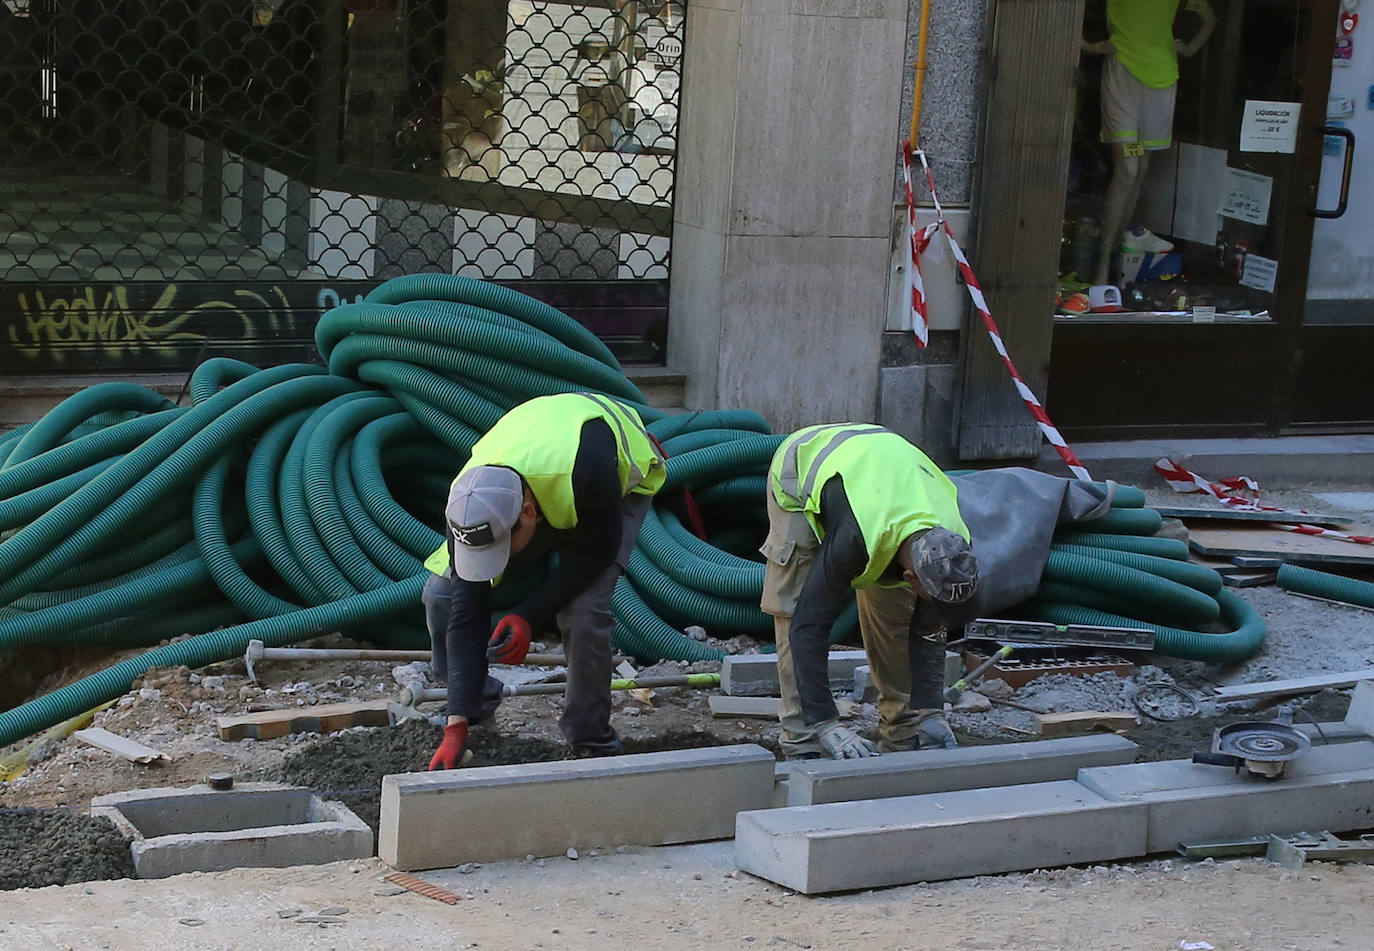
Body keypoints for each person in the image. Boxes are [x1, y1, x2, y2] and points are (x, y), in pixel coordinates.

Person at [421, 392, 665, 769]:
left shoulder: (591, 470)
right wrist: (456, 727)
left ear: (530, 514)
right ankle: (475, 706)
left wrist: (528, 615)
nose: (495, 563)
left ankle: (592, 742)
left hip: (607, 478)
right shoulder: (470, 498)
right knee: (441, 595)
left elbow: (594, 554)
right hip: (535, 481)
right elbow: (467, 612)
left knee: (583, 615)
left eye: (501, 547)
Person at [759, 423, 979, 760]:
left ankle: (904, 730)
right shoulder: (852, 539)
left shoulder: (954, 545)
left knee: (895, 616)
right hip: (804, 464)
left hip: (883, 468)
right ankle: (803, 741)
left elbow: (931, 626)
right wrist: (827, 723)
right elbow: (809, 627)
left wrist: (931, 710)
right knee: (795, 608)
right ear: (912, 576)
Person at [1083, 0, 1215, 286]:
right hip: (1122, 74)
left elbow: (1208, 18)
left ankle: (1120, 256)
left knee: (1139, 173)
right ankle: (1103, 262)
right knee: (1127, 171)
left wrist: (1191, 48)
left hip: (1162, 80)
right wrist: (1088, 46)